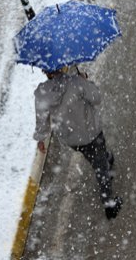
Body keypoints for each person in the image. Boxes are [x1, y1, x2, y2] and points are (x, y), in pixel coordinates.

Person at [34, 65, 122, 219]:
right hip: (91, 134)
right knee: (100, 168)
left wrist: (41, 138)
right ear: (63, 66)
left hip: (71, 139)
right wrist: (85, 80)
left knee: (91, 154)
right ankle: (109, 205)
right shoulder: (76, 82)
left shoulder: (42, 93)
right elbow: (96, 97)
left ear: (44, 71)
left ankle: (104, 159)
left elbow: (42, 119)